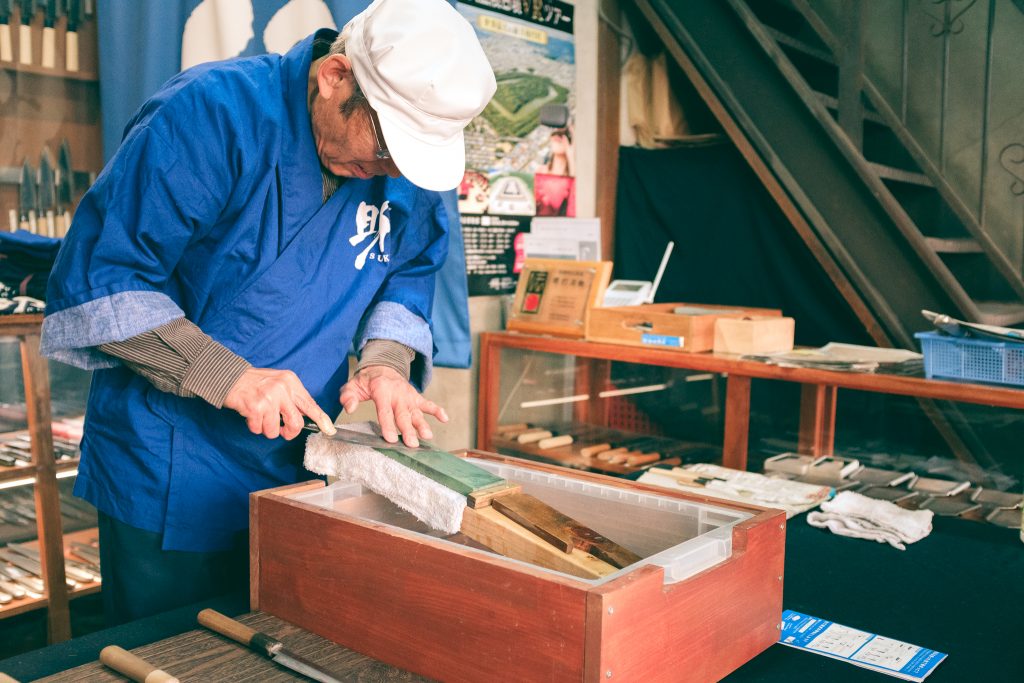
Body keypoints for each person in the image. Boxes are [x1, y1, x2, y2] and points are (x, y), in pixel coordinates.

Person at [39, 0, 495, 624]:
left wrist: (386, 364)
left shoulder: (399, 159)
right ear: (335, 77)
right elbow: (107, 278)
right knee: (168, 652)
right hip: (170, 459)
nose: (389, 173)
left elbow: (410, 266)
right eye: (386, 148)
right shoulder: (208, 115)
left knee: (280, 640)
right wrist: (230, 375)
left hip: (298, 462)